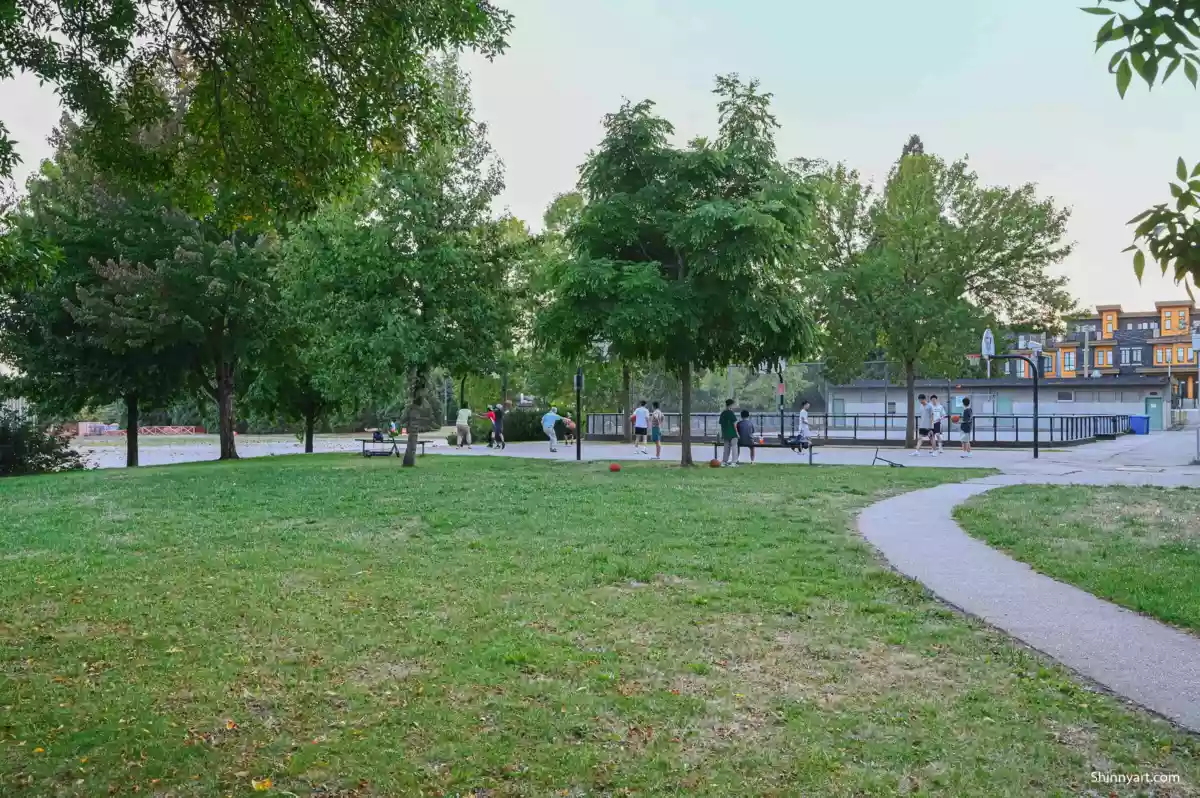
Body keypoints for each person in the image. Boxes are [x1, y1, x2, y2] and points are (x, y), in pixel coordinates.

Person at [719, 398, 739, 467]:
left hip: (725, 433)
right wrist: (737, 433)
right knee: (734, 447)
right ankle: (734, 462)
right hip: (732, 433)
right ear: (731, 405)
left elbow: (721, 424)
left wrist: (722, 433)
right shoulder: (731, 413)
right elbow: (734, 424)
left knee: (726, 448)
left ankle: (724, 462)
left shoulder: (723, 413)